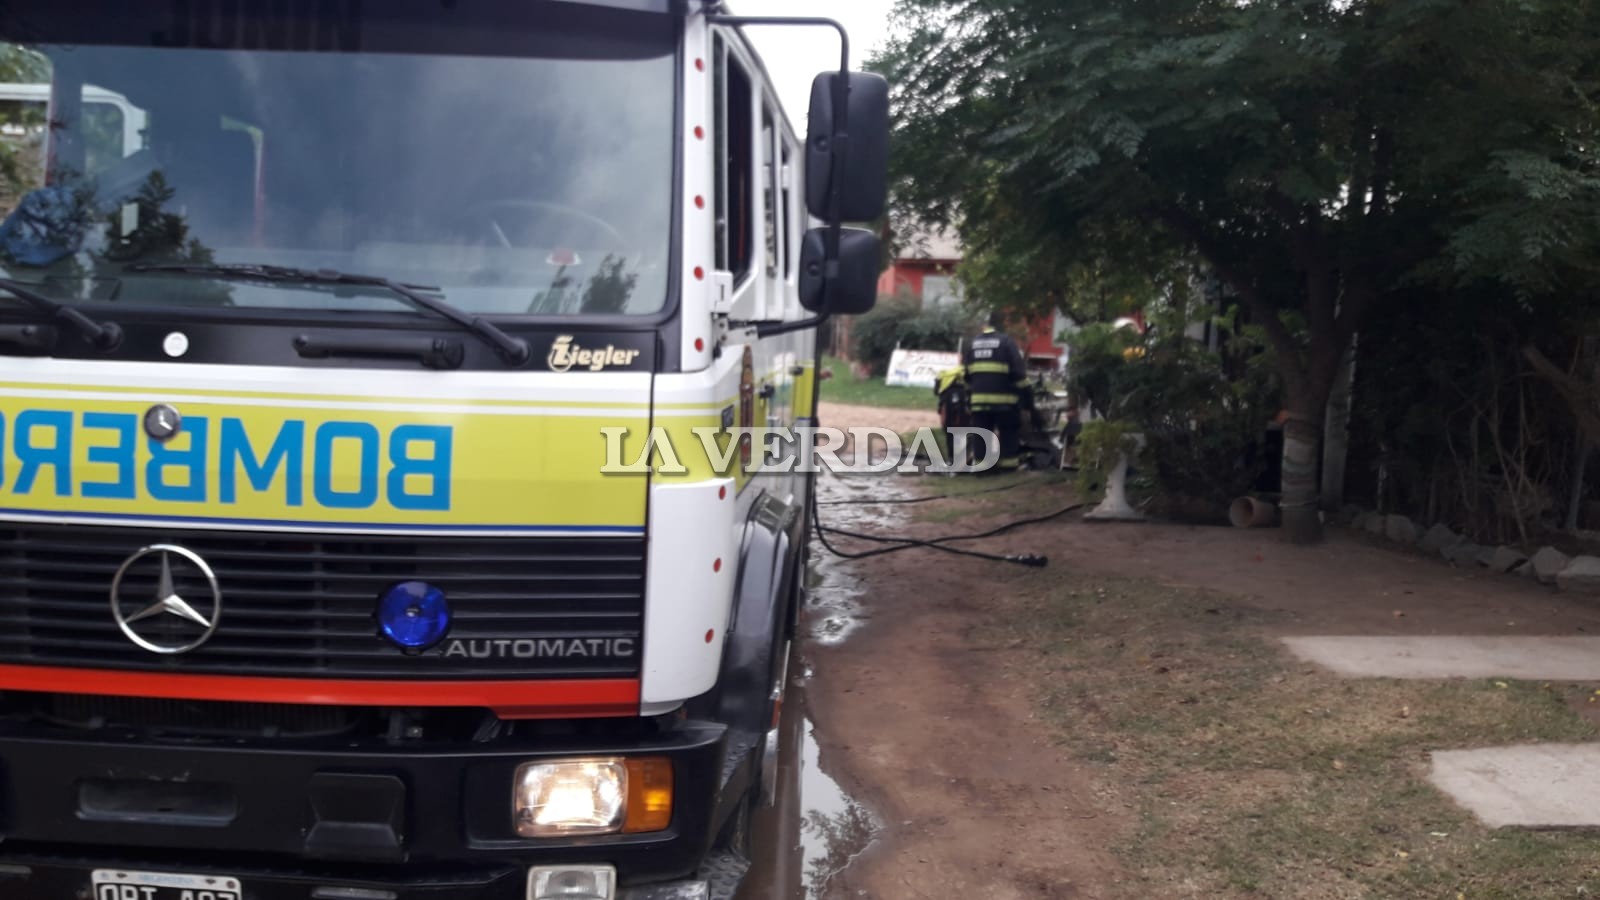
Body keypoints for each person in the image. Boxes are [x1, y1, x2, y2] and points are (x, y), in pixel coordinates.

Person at [961, 312, 1028, 472]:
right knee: (1008, 433)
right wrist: (1026, 396)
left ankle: (982, 468)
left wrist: (971, 398)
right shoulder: (1007, 342)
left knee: (981, 434)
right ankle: (1008, 467)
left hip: (978, 402)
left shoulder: (973, 344)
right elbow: (1018, 373)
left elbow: (966, 376)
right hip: (1004, 403)